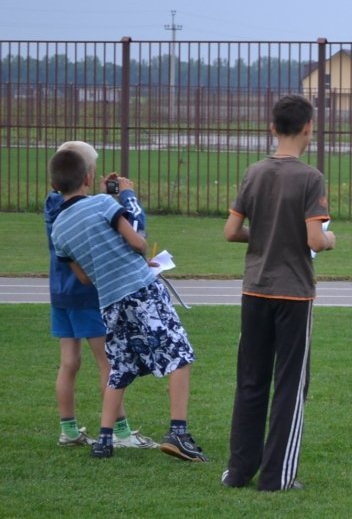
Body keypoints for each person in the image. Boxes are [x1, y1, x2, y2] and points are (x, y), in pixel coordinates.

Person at [48, 145, 207, 460]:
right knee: (179, 354)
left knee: (119, 366)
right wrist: (127, 197)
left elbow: (84, 277)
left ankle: (105, 439)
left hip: (109, 301)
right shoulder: (103, 203)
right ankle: (178, 432)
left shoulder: (59, 229)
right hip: (141, 290)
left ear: (55, 184)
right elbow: (138, 242)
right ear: (88, 178)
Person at [222, 94, 334, 491]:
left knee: (250, 380)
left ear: (272, 128)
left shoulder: (254, 172)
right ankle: (277, 476)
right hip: (293, 294)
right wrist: (330, 239)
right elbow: (315, 240)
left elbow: (231, 232)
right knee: (290, 384)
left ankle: (238, 471)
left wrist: (264, 234)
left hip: (255, 290)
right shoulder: (310, 178)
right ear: (308, 128)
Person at [46, 140, 157, 450]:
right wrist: (118, 197)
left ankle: (68, 429)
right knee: (108, 363)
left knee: (69, 362)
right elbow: (117, 235)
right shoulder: (94, 206)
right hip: (88, 293)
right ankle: (120, 431)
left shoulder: (53, 206)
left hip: (60, 292)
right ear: (87, 175)